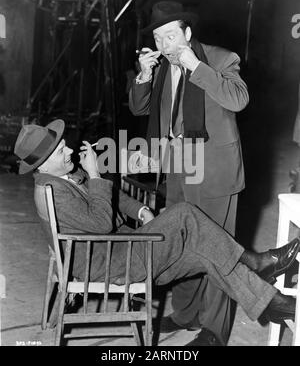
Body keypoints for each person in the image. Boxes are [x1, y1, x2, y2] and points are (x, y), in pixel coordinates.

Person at [14, 120, 299, 346]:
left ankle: (276, 303)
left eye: (65, 145)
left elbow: (108, 200)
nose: (70, 151)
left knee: (206, 251)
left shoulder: (61, 176)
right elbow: (101, 222)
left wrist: (139, 210)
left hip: (120, 249)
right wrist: (97, 175)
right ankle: (257, 263)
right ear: (43, 164)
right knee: (185, 213)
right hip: (112, 263)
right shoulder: (52, 190)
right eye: (61, 151)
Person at [129, 0, 249, 345]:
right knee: (183, 244)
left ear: (188, 33)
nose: (166, 46)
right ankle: (186, 313)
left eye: (171, 37)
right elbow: (140, 107)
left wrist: (195, 65)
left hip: (215, 170)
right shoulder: (162, 66)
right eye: (159, 39)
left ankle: (214, 330)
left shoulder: (221, 58)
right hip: (179, 169)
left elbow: (238, 99)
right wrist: (144, 76)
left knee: (218, 250)